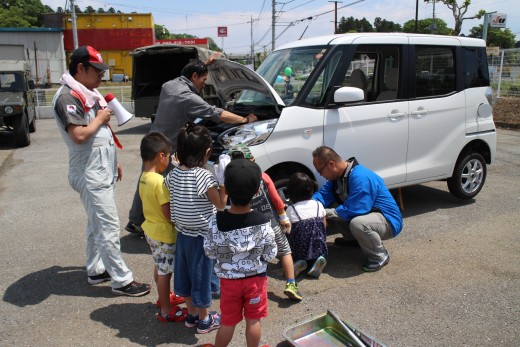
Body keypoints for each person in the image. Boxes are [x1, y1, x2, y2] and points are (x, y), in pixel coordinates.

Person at [52, 45, 150, 296]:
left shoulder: (86, 93)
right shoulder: (68, 97)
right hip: (89, 171)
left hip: (99, 167)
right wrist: (101, 118)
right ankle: (122, 279)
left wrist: (113, 160)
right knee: (107, 224)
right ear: (81, 68)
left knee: (96, 222)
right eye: (97, 70)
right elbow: (80, 135)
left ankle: (96, 270)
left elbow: (99, 136)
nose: (102, 75)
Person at [126, 57, 258, 234]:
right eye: (203, 80)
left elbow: (187, 75)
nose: (204, 84)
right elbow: (214, 113)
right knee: (164, 186)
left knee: (146, 181)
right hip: (166, 148)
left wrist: (206, 63)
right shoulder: (187, 97)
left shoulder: (170, 85)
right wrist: (244, 119)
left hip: (154, 139)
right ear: (194, 76)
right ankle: (165, 222)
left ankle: (135, 221)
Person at [203, 159, 277, 347]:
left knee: (228, 321)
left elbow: (209, 251)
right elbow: (270, 253)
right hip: (255, 281)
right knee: (254, 320)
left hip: (229, 283)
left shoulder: (215, 221)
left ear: (226, 188)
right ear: (256, 191)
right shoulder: (264, 222)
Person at [164, 124, 227, 334]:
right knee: (201, 277)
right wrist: (223, 182)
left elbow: (171, 187)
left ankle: (191, 315)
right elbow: (220, 204)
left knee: (186, 276)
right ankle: (205, 320)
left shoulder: (173, 175)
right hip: (202, 237)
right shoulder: (204, 177)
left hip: (183, 235)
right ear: (206, 151)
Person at [223, 144, 303, 301]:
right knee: (285, 251)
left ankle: (255, 288)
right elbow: (276, 199)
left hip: (250, 227)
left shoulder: (232, 183)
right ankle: (291, 284)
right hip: (272, 224)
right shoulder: (263, 177)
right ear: (253, 160)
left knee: (256, 256)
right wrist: (283, 217)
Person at [311, 146, 403, 272]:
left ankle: (379, 255)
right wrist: (309, 205)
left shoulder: (360, 176)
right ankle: (354, 240)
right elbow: (322, 195)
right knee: (326, 207)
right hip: (367, 215)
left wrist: (322, 213)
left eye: (320, 171)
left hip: (388, 221)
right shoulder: (337, 178)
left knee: (357, 223)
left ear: (331, 164)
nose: (320, 175)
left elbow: (355, 209)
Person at [138, 132, 186, 322]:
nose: (168, 160)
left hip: (151, 229)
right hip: (164, 233)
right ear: (161, 156)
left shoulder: (144, 177)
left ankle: (162, 298)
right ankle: (166, 309)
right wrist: (180, 221)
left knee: (160, 266)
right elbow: (168, 213)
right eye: (168, 156)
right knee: (166, 272)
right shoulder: (160, 182)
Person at [285, 172, 328, 278]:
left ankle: (300, 261)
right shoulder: (318, 204)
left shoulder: (291, 209)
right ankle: (318, 258)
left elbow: (287, 229)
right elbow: (324, 224)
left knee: (289, 235)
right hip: (319, 245)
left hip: (300, 248)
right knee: (318, 240)